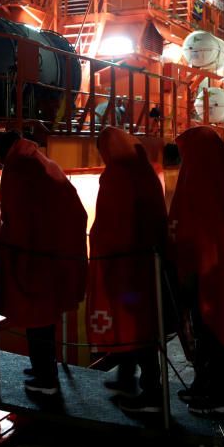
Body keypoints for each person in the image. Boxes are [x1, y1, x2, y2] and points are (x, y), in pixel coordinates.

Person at [169, 127, 224, 415]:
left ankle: (217, 394)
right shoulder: (223, 178)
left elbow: (197, 228)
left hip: (207, 272)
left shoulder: (201, 178)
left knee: (210, 331)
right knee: (204, 329)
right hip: (213, 268)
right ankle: (203, 383)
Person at [0, 131, 87, 395]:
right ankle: (45, 369)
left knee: (35, 319)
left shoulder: (18, 168)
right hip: (54, 254)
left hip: (33, 257)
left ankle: (45, 380)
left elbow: (15, 216)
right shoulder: (41, 160)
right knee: (45, 319)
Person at [86, 127, 168, 414]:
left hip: (124, 267)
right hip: (144, 264)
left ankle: (151, 393)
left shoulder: (117, 176)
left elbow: (113, 225)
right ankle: (126, 378)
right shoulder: (145, 170)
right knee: (138, 326)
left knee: (135, 328)